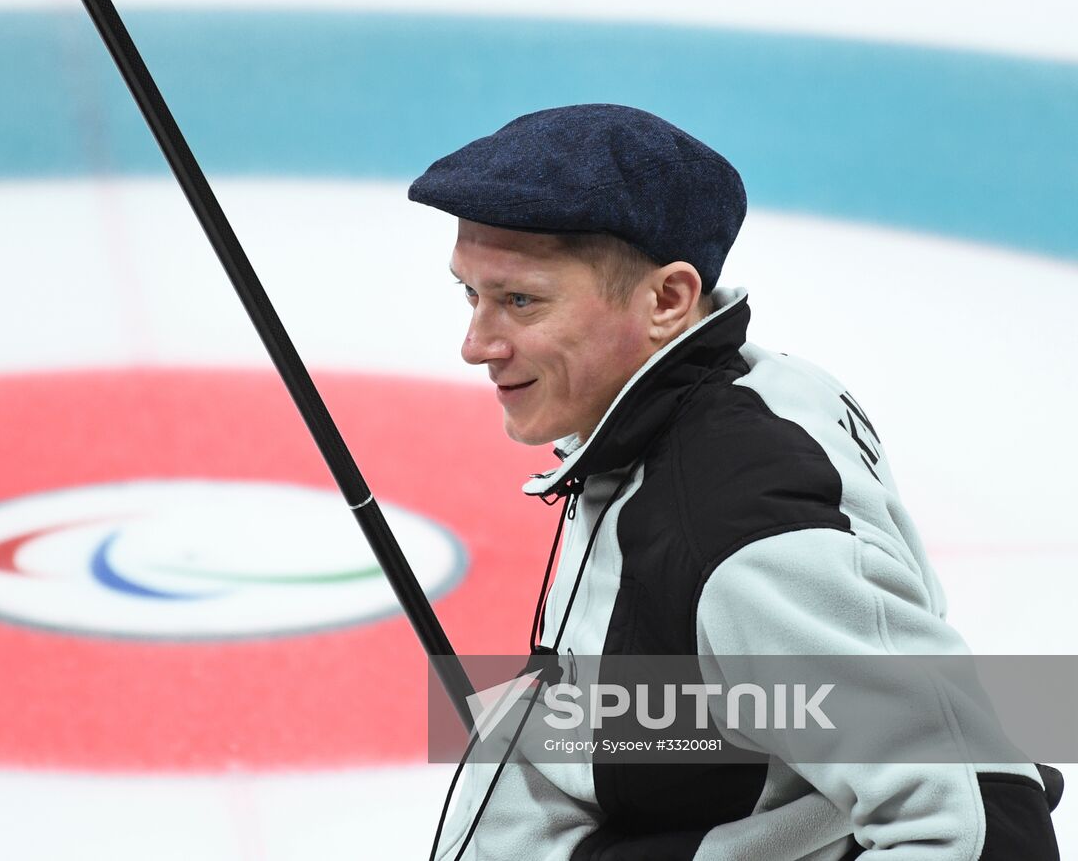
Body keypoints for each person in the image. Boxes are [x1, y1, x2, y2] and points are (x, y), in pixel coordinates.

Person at [409, 104, 1062, 860]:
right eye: (471, 293)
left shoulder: (735, 530)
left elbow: (987, 819)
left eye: (522, 301)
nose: (475, 344)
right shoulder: (736, 391)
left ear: (666, 301)